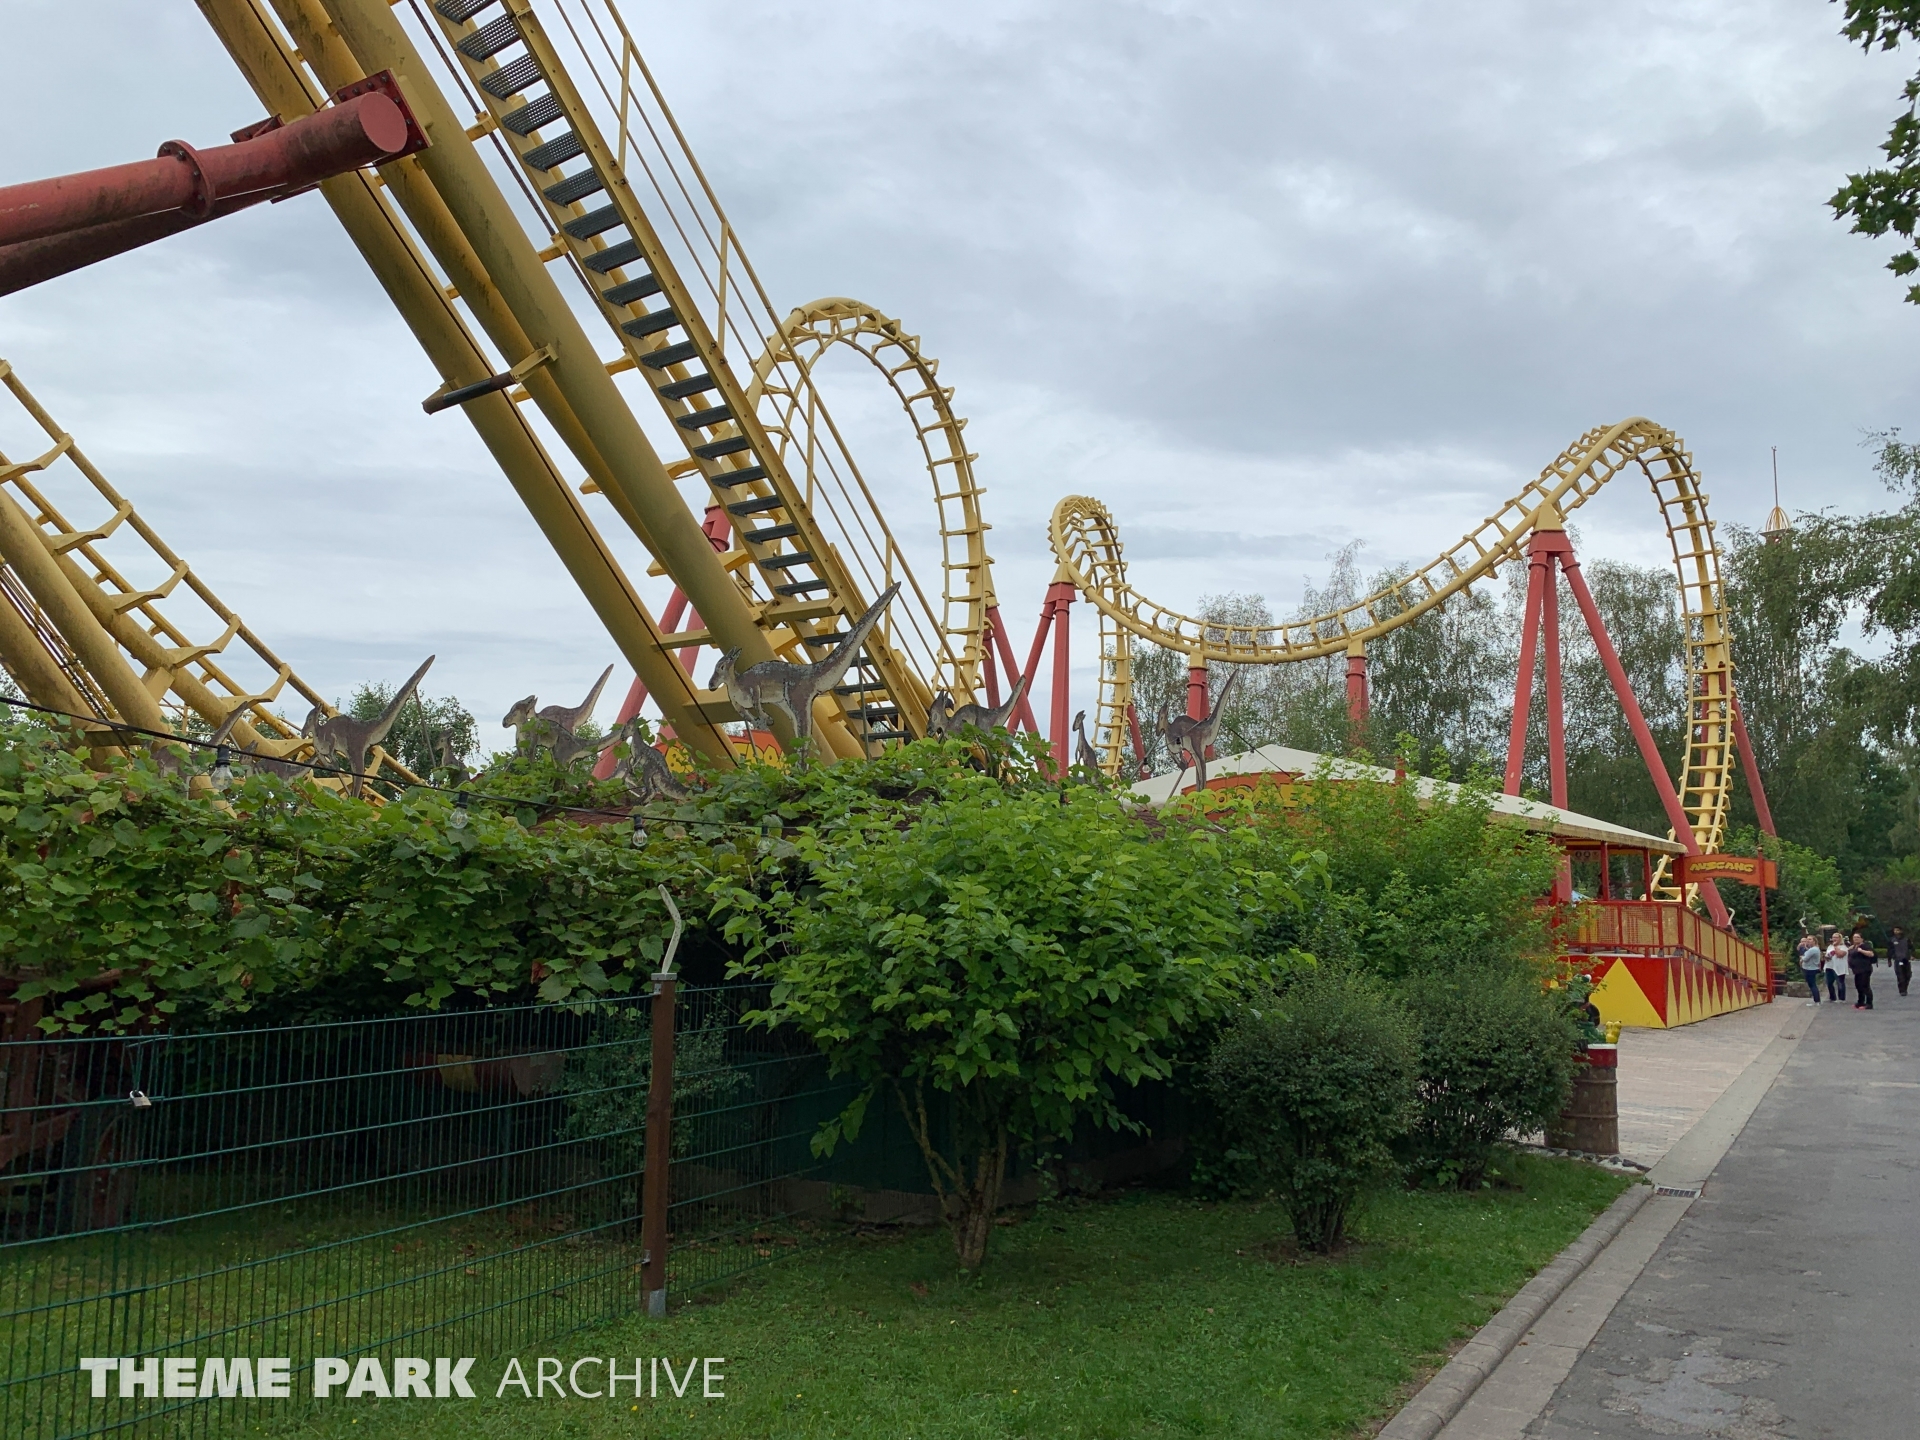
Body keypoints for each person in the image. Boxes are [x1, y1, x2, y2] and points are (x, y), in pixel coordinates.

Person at [1849, 930, 1878, 1010]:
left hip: (1864, 969)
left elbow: (1871, 954)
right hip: (1856, 970)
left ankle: (1869, 1003)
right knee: (1858, 986)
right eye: (1854, 937)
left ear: (1862, 939)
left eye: (1858, 937)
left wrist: (1861, 951)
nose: (1856, 939)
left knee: (1865, 986)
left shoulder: (1865, 946)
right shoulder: (1853, 947)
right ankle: (1860, 1002)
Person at [1797, 931, 1824, 1005]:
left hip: (1810, 969)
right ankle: (1816, 1000)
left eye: (1810, 939)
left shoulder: (1813, 949)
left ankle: (1817, 1001)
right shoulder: (1813, 949)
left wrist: (1802, 957)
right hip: (1811, 968)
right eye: (1807, 939)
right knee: (1812, 984)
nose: (1808, 941)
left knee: (1812, 985)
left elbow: (1805, 958)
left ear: (1814, 941)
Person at [1824, 933, 1849, 1003]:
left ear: (1840, 938)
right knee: (1829, 982)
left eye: (1836, 937)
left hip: (1839, 967)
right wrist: (1826, 957)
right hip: (1829, 966)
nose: (1834, 939)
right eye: (1833, 937)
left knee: (1840, 982)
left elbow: (1840, 955)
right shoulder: (1830, 946)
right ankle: (1832, 997)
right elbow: (1827, 955)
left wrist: (1835, 947)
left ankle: (1841, 998)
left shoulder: (1843, 947)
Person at [1890, 926, 1913, 998]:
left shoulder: (1906, 939)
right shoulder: (1892, 940)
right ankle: (1902, 990)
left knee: (1908, 975)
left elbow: (1911, 948)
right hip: (1898, 960)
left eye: (1897, 930)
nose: (1896, 932)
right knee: (1900, 976)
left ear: (1901, 931)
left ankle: (1905, 988)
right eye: (1895, 930)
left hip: (1906, 959)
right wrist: (1889, 960)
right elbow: (1890, 950)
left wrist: (1912, 955)